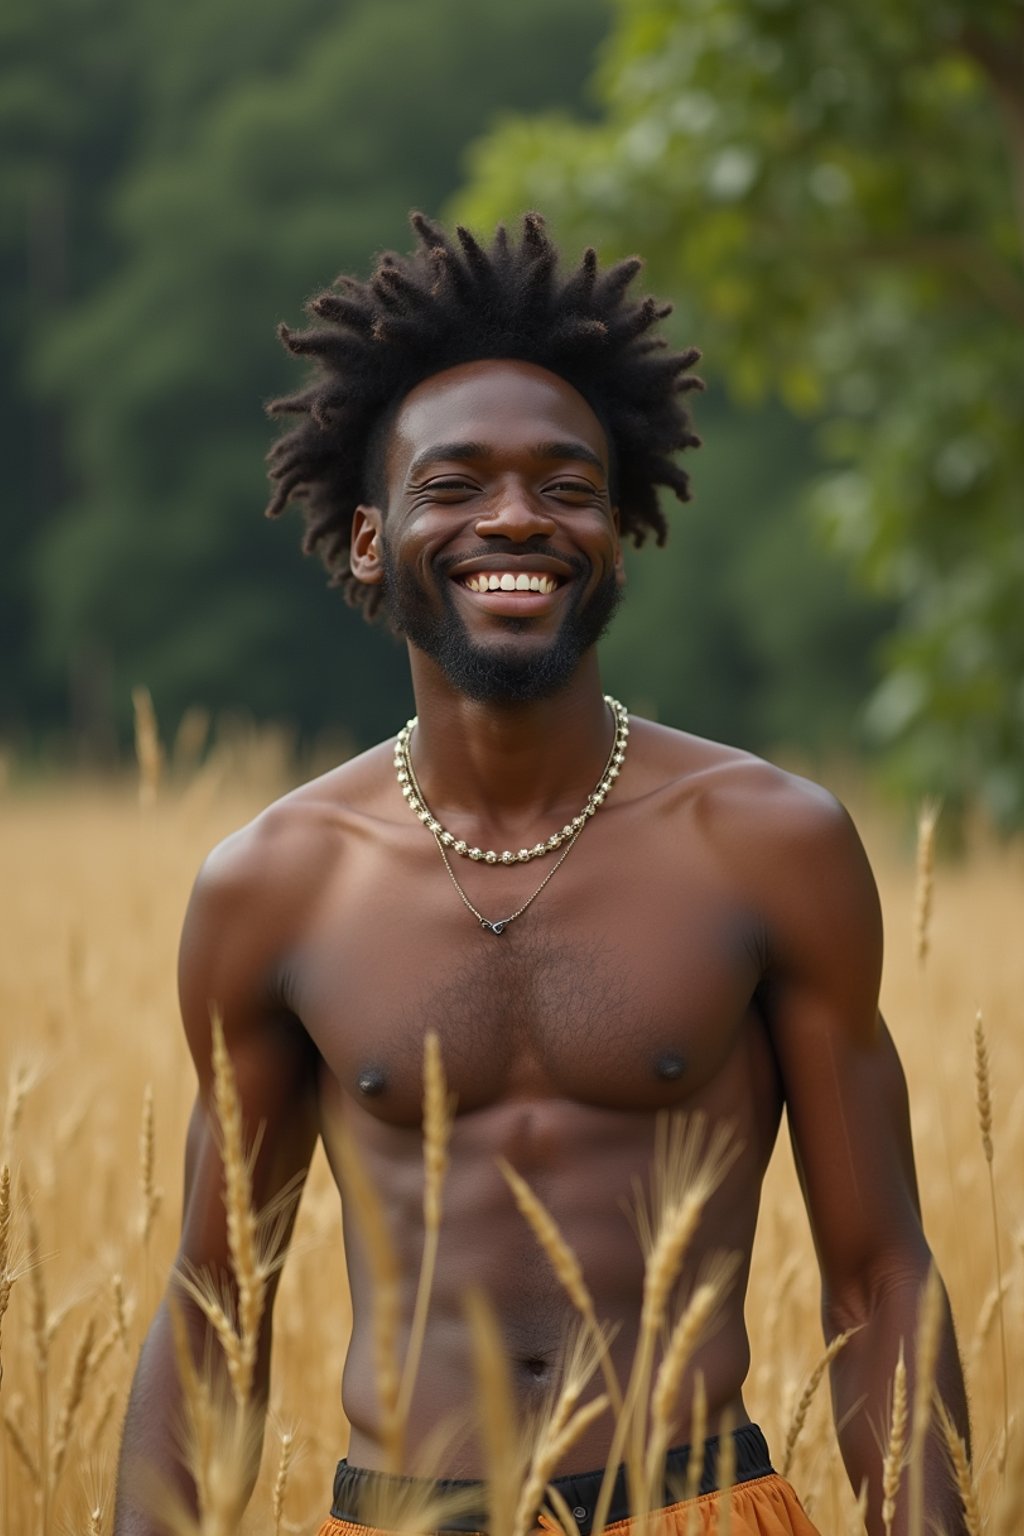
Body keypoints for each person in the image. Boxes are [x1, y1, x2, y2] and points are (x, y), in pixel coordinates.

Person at [114, 213, 970, 1536]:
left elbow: (879, 1276)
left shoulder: (768, 841)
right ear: (363, 537)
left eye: (567, 486)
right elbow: (216, 1304)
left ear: (620, 532)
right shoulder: (274, 883)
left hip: (696, 1505)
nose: (515, 516)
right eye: (454, 485)